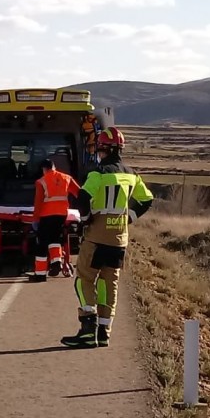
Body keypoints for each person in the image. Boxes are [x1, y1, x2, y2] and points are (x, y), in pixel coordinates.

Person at [62, 127, 154, 348]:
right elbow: (147, 199)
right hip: (119, 239)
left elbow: (83, 197)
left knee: (84, 280)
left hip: (96, 237)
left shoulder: (99, 173)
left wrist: (84, 218)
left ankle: (87, 329)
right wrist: (129, 217)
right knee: (109, 283)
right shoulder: (132, 174)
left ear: (102, 149)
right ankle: (104, 332)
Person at [30, 157, 80, 282]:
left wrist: (35, 219)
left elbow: (38, 203)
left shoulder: (41, 181)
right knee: (55, 238)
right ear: (54, 167)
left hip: (46, 216)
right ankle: (56, 262)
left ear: (44, 169)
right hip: (62, 215)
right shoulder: (66, 178)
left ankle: (40, 274)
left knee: (42, 243)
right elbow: (79, 193)